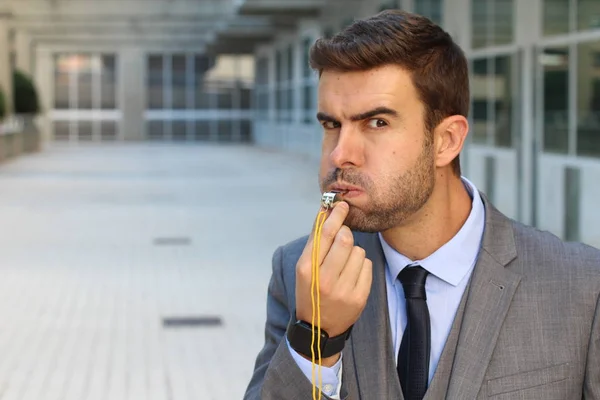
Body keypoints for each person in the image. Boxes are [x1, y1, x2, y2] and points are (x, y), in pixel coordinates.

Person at [243, 9, 600, 400]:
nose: (340, 154)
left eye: (377, 123)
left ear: (446, 140)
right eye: (332, 125)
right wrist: (316, 340)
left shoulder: (584, 286)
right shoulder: (301, 274)